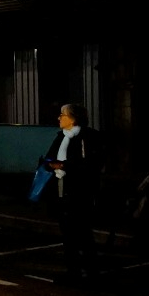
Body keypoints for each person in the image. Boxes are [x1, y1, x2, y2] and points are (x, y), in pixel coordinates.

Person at [42, 102, 103, 284]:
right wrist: (50, 164)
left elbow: (89, 165)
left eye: (63, 115)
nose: (59, 118)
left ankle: (92, 273)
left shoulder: (86, 137)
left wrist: (64, 165)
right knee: (68, 234)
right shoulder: (60, 137)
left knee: (83, 233)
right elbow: (49, 158)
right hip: (62, 192)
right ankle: (73, 271)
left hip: (80, 192)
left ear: (74, 118)